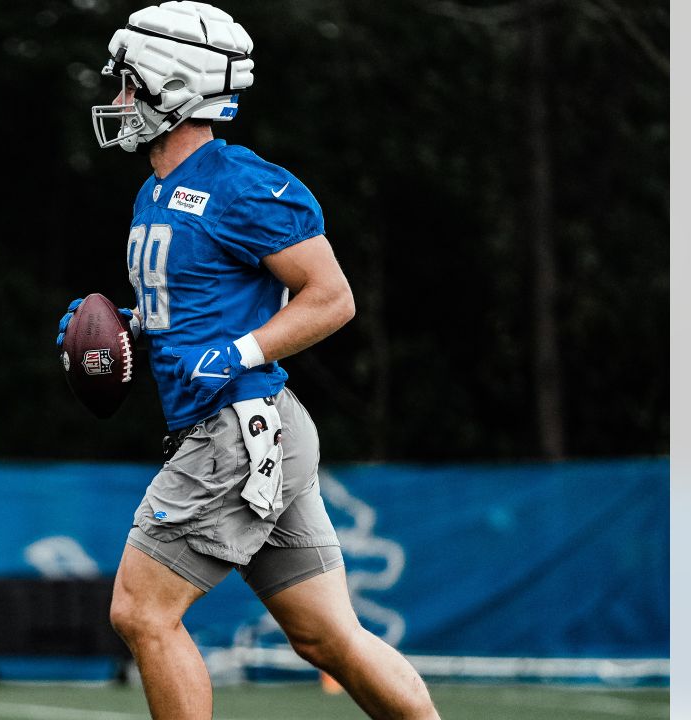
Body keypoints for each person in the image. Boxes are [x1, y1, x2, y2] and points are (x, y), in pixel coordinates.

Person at [60, 3, 441, 718]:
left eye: (125, 83)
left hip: (234, 430)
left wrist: (236, 352)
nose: (115, 99)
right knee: (329, 637)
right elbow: (194, 312)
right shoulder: (154, 191)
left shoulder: (241, 183)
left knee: (142, 613)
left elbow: (331, 297)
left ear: (169, 87)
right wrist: (127, 330)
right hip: (254, 429)